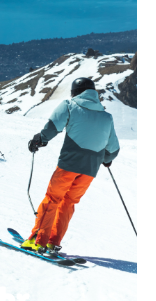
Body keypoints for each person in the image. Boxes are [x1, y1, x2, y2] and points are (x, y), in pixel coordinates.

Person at [21, 77, 120, 256]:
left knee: (53, 199)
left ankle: (38, 241)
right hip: (90, 170)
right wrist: (106, 158)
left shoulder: (69, 105)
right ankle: (53, 243)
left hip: (69, 164)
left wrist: (39, 140)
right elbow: (113, 149)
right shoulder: (106, 116)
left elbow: (53, 126)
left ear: (75, 92)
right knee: (69, 203)